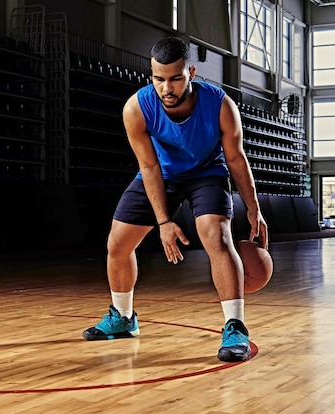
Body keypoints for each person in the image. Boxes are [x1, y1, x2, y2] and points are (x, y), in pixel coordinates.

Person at [81, 36, 268, 362]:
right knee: (117, 245)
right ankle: (123, 318)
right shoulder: (136, 108)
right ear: (151, 75)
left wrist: (254, 208)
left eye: (175, 78)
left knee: (217, 237)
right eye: (159, 79)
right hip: (160, 174)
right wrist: (164, 222)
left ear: (191, 73)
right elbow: (149, 166)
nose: (167, 87)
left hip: (206, 173)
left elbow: (236, 159)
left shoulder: (221, 105)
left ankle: (235, 326)